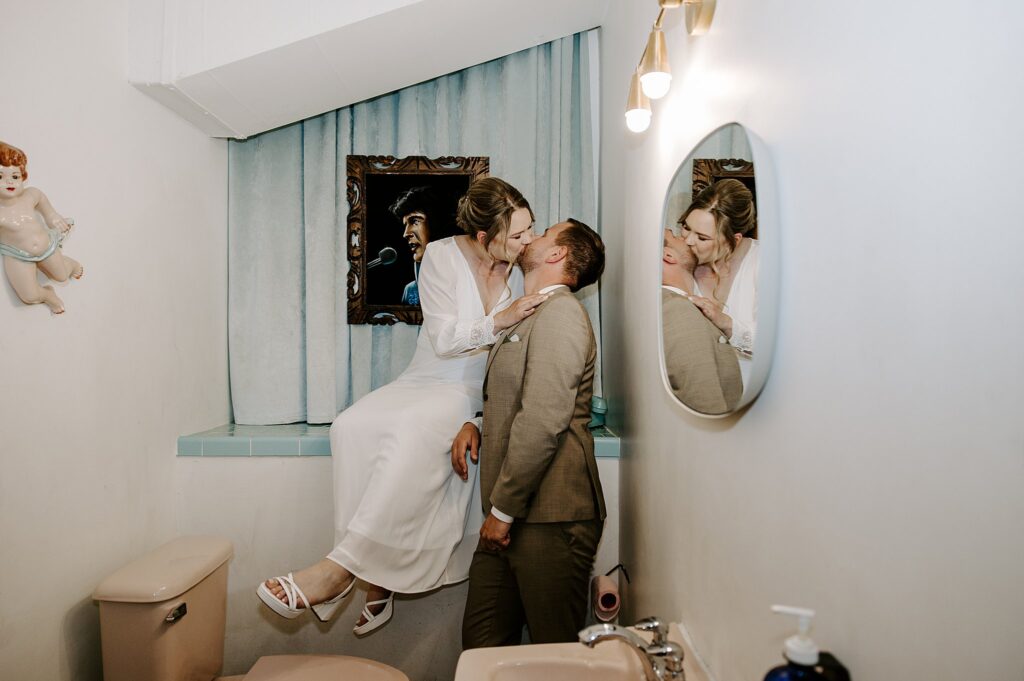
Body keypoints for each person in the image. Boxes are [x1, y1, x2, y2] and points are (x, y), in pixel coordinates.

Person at [257, 177, 552, 636]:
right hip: (428, 375)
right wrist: (502, 318)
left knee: (411, 433)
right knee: (349, 427)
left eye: (531, 227)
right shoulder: (440, 257)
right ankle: (373, 573)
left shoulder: (522, 267)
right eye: (516, 234)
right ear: (482, 237)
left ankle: (340, 572)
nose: (528, 240)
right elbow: (445, 338)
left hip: (474, 390)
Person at [451, 218, 606, 647]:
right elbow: (519, 398)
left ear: (557, 254)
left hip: (550, 516)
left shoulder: (561, 314)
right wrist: (478, 423)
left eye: (543, 234)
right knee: (482, 646)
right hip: (513, 512)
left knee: (554, 653)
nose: (531, 238)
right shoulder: (534, 312)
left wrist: (501, 514)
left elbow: (542, 420)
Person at [678, 178, 758, 384]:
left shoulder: (765, 264)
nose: (688, 241)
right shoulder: (675, 260)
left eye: (702, 238)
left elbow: (783, 344)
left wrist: (725, 322)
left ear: (734, 240)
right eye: (686, 227)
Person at [661, 228, 742, 414]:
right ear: (668, 255)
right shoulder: (677, 310)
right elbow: (703, 402)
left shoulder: (670, 304)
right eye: (677, 236)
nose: (687, 239)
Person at [0, 142, 83, 314]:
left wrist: (53, 217)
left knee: (61, 275)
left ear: (23, 176)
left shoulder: (31, 195)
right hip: (18, 256)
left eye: (15, 176)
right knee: (28, 296)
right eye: (0, 176)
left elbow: (45, 205)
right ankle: (47, 295)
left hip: (46, 247)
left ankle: (70, 264)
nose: (9, 181)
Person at [388, 186, 460, 305]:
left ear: (436, 222)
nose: (405, 234)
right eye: (405, 225)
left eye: (415, 221)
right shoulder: (410, 291)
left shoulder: (466, 282)